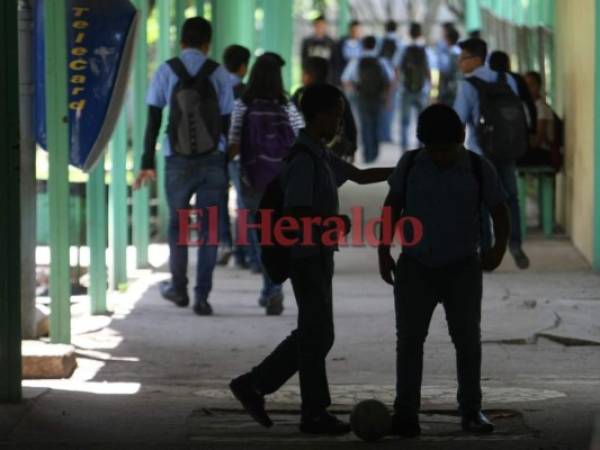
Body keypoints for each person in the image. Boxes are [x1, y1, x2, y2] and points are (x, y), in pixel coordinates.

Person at [230, 84, 394, 435]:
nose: (339, 122)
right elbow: (297, 213)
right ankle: (301, 406)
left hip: (318, 254)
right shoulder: (304, 160)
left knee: (316, 333)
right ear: (318, 115)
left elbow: (361, 176)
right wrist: (333, 223)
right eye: (335, 114)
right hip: (306, 256)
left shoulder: (318, 153)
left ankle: (264, 388)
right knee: (316, 333)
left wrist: (406, 168)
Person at [378, 104, 510, 437]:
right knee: (409, 342)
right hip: (415, 267)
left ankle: (470, 410)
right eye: (432, 150)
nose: (438, 157)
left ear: (461, 138)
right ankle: (406, 413)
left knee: (467, 341)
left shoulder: (480, 168)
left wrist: (498, 248)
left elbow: (499, 210)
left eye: (445, 149)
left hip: (462, 267)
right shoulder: (410, 164)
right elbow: (392, 205)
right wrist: (383, 249)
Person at [134, 17, 233, 316]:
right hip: (212, 158)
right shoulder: (218, 73)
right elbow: (227, 121)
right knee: (209, 229)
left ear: (182, 42)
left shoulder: (167, 70)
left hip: (175, 159)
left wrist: (146, 162)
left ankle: (179, 288)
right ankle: (202, 296)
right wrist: (223, 163)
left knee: (177, 226)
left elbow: (153, 119)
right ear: (208, 44)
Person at [227, 52, 305, 315]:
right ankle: (271, 290)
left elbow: (234, 143)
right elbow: (301, 139)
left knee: (260, 238)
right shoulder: (287, 105)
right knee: (277, 235)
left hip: (252, 180)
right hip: (282, 180)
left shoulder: (243, 104)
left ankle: (271, 290)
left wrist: (226, 165)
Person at [453, 38, 530, 269]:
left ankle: (486, 251)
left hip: (481, 151)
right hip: (509, 147)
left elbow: (458, 121)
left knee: (482, 201)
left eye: (463, 58)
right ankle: (515, 243)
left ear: (476, 59)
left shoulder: (467, 85)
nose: (459, 63)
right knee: (510, 198)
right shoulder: (507, 79)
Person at [222, 44, 254, 270]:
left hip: (214, 151)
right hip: (240, 155)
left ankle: (224, 245)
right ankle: (246, 255)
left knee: (218, 200)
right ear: (243, 67)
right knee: (244, 204)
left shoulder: (216, 87)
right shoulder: (246, 93)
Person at [292, 56, 358, 162]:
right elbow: (349, 121)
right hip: (334, 149)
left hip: (306, 148)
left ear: (306, 75)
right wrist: (352, 146)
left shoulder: (300, 94)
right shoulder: (335, 93)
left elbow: (290, 119)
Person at [342, 35, 394, 163]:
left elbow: (346, 79)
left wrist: (355, 90)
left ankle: (367, 155)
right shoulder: (381, 61)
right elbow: (390, 80)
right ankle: (374, 154)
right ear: (375, 45)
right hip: (378, 98)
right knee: (376, 125)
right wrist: (387, 98)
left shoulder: (357, 61)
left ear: (363, 45)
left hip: (362, 98)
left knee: (365, 126)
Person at [521, 71, 562, 169]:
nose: (528, 89)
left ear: (538, 87)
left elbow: (539, 140)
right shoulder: (528, 107)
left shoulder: (541, 107)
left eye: (531, 85)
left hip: (545, 153)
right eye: (525, 85)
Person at [399, 22, 431, 151]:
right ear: (420, 33)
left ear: (409, 33)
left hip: (405, 90)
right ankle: (421, 148)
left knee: (404, 122)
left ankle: (404, 149)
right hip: (422, 90)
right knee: (422, 122)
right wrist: (432, 89)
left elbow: (398, 68)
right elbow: (429, 70)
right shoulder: (425, 49)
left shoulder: (403, 49)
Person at [488, 50, 537, 132]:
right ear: (507, 63)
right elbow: (529, 104)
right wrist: (533, 129)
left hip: (495, 128)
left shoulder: (487, 80)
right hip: (517, 125)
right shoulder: (517, 79)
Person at [378, 20, 403, 142]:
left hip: (380, 76)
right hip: (393, 76)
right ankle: (387, 135)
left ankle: (380, 133)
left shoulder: (380, 41)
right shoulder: (399, 42)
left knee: (381, 105)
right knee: (390, 106)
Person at [300, 15, 336, 83]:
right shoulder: (307, 42)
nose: (320, 28)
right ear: (314, 26)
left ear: (325, 26)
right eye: (318, 25)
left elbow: (334, 61)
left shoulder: (331, 42)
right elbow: (304, 59)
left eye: (322, 25)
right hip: (311, 75)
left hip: (327, 76)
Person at [437, 25, 461, 106]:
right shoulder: (461, 52)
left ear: (448, 39)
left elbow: (444, 72)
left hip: (449, 89)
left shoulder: (449, 54)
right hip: (460, 87)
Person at [333, 20, 362, 85]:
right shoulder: (341, 44)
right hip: (343, 79)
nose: (355, 32)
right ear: (349, 30)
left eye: (357, 30)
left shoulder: (362, 44)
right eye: (353, 30)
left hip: (357, 79)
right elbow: (336, 61)